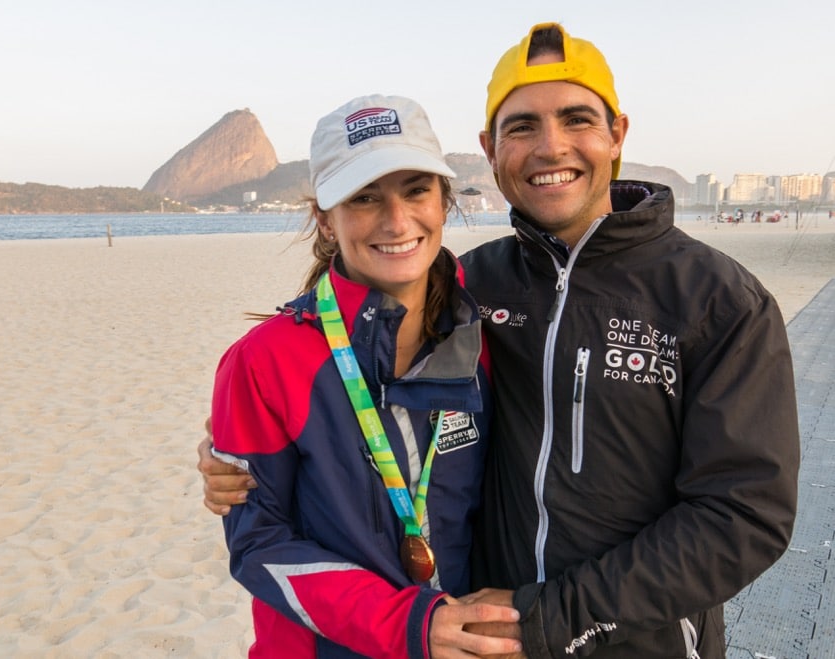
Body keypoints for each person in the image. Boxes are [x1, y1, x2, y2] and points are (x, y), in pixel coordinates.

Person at [201, 23, 800, 658]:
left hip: (631, 641)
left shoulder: (718, 300)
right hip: (484, 635)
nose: (550, 147)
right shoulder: (473, 290)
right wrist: (232, 454)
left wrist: (553, 617)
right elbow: (323, 405)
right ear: (489, 149)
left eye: (576, 120)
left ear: (617, 135)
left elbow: (745, 515)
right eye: (521, 127)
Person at [209, 94, 523, 659]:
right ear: (326, 220)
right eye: (365, 197)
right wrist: (406, 625)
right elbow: (256, 544)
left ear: (445, 202)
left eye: (416, 190)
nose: (397, 220)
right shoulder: (263, 361)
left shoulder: (480, 335)